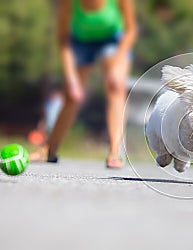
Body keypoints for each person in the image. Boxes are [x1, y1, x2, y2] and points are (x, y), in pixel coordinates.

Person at [47, 0, 137, 168]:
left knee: (115, 85)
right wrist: (71, 76)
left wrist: (117, 62)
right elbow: (63, 39)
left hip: (113, 40)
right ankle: (49, 150)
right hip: (80, 42)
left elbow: (131, 30)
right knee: (71, 95)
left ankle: (114, 152)